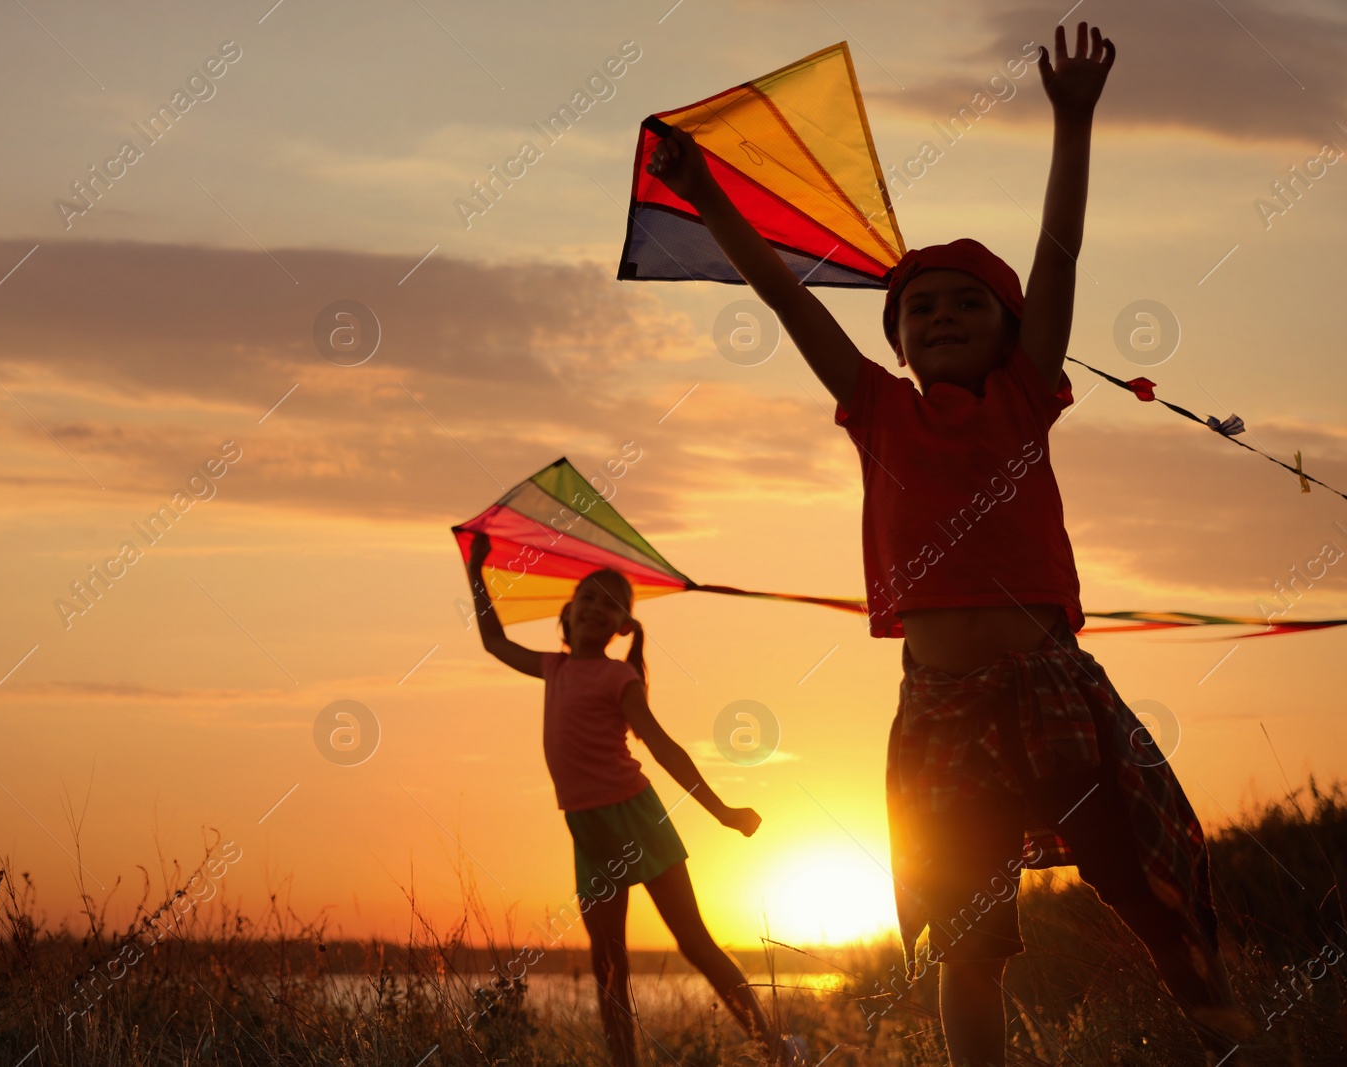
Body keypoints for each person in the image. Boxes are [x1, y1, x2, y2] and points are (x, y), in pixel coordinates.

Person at [645, 21, 1252, 1067]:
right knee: (965, 942)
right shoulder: (874, 411)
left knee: (1150, 888)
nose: (937, 316)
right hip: (938, 713)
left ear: (1010, 330)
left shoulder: (1024, 395)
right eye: (916, 308)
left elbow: (1058, 251)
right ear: (894, 340)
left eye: (965, 302)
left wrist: (1073, 120)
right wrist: (708, 199)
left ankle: (1224, 1024)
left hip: (1050, 690)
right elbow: (785, 295)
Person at [465, 531, 799, 1067]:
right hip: (588, 830)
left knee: (695, 944)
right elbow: (493, 641)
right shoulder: (552, 668)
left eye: (611, 603)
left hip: (638, 819)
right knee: (608, 965)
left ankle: (776, 1048)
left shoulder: (618, 676)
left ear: (623, 627)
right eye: (589, 597)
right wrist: (476, 571)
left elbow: (663, 748)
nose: (597, 607)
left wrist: (723, 811)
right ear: (569, 612)